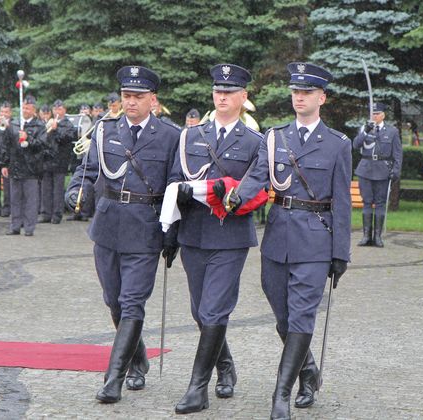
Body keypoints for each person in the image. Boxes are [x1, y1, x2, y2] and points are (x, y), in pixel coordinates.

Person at [222, 62, 351, 419]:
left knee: (301, 318)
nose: (299, 98)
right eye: (295, 92)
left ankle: (281, 394)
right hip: (278, 238)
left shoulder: (338, 144)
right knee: (283, 317)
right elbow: (257, 176)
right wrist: (235, 197)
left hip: (315, 241)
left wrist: (340, 254)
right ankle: (308, 371)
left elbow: (341, 203)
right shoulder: (276, 137)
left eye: (307, 92)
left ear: (321, 97)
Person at [65, 65, 180, 404]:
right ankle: (139, 358)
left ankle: (114, 378)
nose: (130, 102)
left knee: (132, 302)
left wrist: (171, 233)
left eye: (138, 97)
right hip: (108, 224)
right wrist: (76, 191)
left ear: (153, 100)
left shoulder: (170, 136)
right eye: (126, 96)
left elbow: (175, 187)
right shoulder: (104, 130)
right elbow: (85, 171)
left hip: (145, 228)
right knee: (113, 301)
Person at [169, 64, 262, 414]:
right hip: (193, 233)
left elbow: (257, 187)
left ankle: (197, 388)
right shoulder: (190, 136)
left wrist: (231, 193)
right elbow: (176, 177)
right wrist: (172, 216)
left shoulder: (254, 142)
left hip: (230, 235)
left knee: (213, 310)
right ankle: (225, 365)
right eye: (217, 90)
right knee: (199, 311)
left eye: (229, 91)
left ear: (243, 97)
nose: (221, 96)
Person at [353, 102, 402, 247]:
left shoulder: (392, 131)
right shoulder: (364, 128)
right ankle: (366, 236)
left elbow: (398, 153)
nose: (374, 116)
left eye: (377, 113)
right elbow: (355, 145)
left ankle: (377, 237)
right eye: (372, 113)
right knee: (367, 202)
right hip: (366, 169)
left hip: (383, 169)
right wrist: (366, 132)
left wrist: (396, 171)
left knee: (380, 203)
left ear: (383, 115)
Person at [1, 95, 46, 236]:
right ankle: (15, 225)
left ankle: (29, 227)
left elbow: (42, 145)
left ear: (34, 110)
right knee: (15, 198)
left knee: (30, 200)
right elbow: (6, 145)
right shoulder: (14, 123)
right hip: (15, 166)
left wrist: (29, 139)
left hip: (31, 168)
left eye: (28, 108)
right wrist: (4, 164)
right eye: (24, 107)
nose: (25, 110)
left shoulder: (39, 126)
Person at [40, 99, 77, 224]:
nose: (57, 111)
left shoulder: (68, 124)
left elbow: (67, 138)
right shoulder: (49, 122)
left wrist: (55, 129)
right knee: (46, 189)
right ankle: (46, 214)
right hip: (47, 160)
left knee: (57, 190)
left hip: (60, 161)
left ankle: (57, 215)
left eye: (59, 109)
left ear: (64, 110)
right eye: (55, 109)